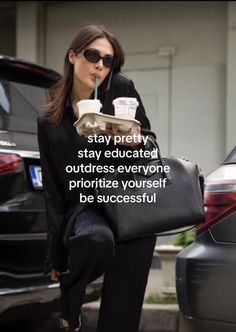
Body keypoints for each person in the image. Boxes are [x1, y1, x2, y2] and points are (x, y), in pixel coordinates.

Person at [37, 24, 157, 332]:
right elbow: (53, 188)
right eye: (93, 56)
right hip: (86, 206)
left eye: (109, 60)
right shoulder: (50, 119)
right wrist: (58, 258)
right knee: (95, 240)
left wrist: (134, 140)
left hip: (129, 201)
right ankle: (70, 297)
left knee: (122, 313)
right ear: (73, 56)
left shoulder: (120, 88)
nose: (100, 66)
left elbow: (151, 144)